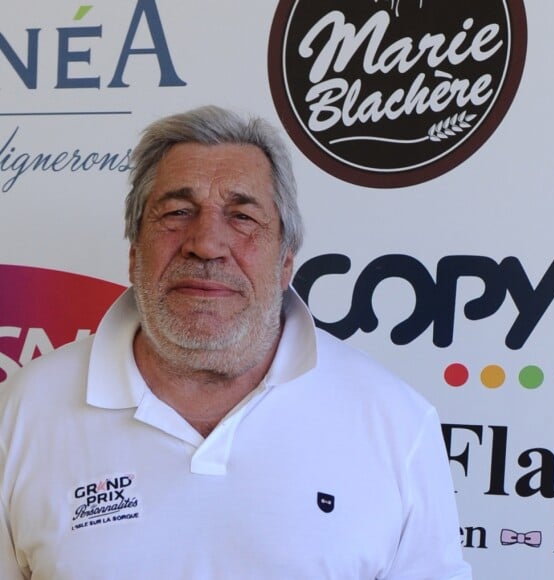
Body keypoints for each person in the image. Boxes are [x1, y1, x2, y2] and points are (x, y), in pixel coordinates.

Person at [0, 106, 472, 579]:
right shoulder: (20, 411)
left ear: (286, 261)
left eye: (243, 216)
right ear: (133, 252)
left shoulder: (395, 422)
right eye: (178, 212)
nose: (206, 243)